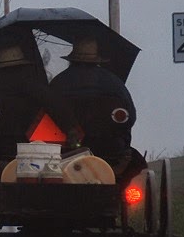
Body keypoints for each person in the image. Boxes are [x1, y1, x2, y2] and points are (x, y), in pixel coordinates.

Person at [46, 36, 142, 180]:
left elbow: (46, 116)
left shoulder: (59, 83)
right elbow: (130, 119)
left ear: (72, 60)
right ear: (97, 60)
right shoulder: (115, 84)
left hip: (64, 154)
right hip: (112, 155)